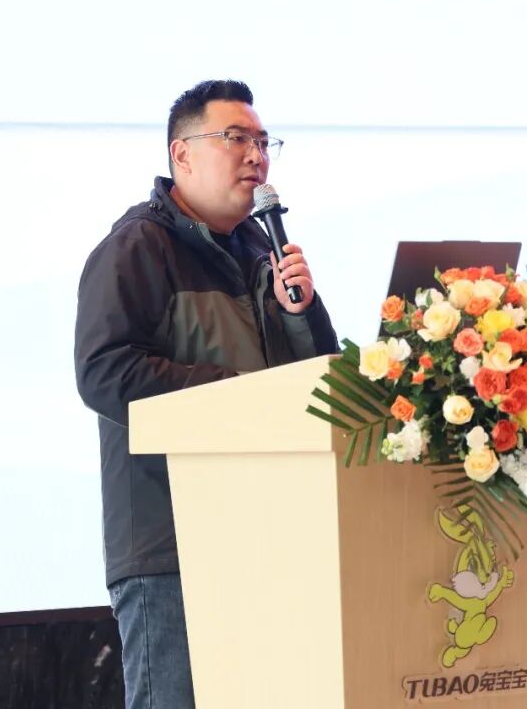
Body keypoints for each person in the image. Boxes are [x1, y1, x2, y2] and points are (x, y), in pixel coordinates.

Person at [73, 79, 338, 709]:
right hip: (172, 548)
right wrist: (234, 397)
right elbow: (104, 371)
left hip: (270, 534)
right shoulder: (137, 248)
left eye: (263, 142)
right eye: (236, 138)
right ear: (182, 155)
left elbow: (322, 386)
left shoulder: (263, 249)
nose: (256, 156)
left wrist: (301, 313)